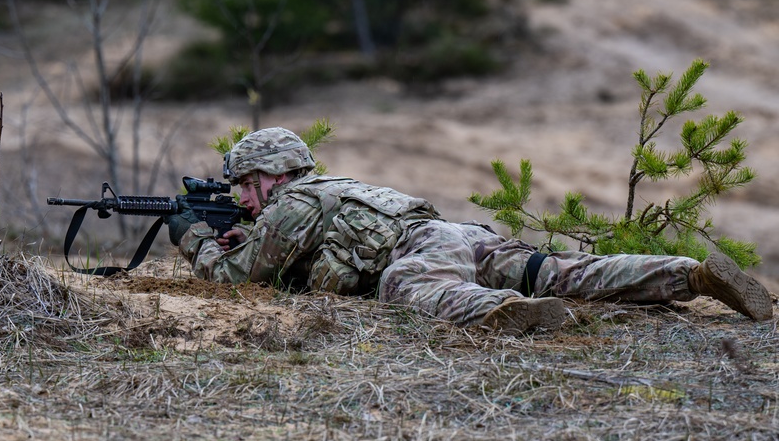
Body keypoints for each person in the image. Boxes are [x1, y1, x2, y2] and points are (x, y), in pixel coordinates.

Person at [164, 127, 774, 334]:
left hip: (420, 252)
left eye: (247, 184)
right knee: (567, 269)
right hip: (455, 233)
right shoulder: (332, 189)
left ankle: (514, 312)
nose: (243, 199)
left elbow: (237, 280)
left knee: (408, 289)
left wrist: (190, 236)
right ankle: (689, 274)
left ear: (276, 174)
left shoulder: (293, 203)